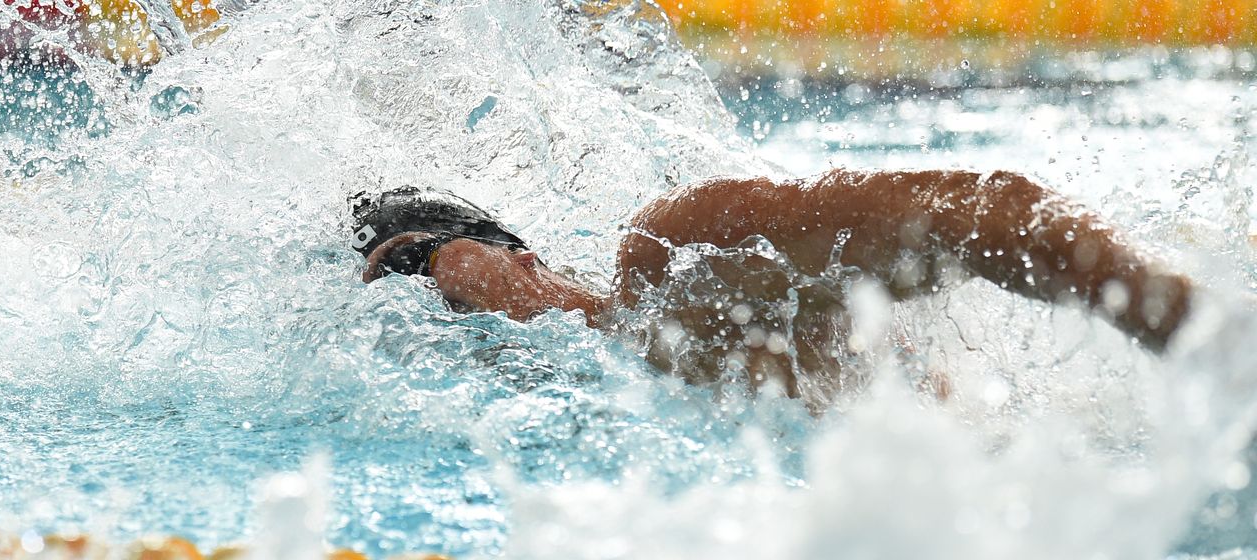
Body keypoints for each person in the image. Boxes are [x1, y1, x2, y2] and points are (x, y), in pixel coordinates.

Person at [349, 170, 1192, 404]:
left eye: (420, 264)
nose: (424, 303)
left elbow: (979, 214)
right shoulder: (593, 400)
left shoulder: (675, 249)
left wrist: (1187, 325)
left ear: (517, 254)